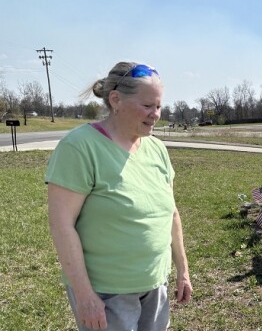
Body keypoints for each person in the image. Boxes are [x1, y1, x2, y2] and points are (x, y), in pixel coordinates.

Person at [45, 62, 192, 330]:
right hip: (106, 293)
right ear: (116, 100)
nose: (156, 114)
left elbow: (171, 212)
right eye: (148, 105)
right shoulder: (79, 147)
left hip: (155, 286)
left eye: (158, 106)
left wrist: (182, 271)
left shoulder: (157, 149)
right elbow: (61, 226)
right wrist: (85, 296)